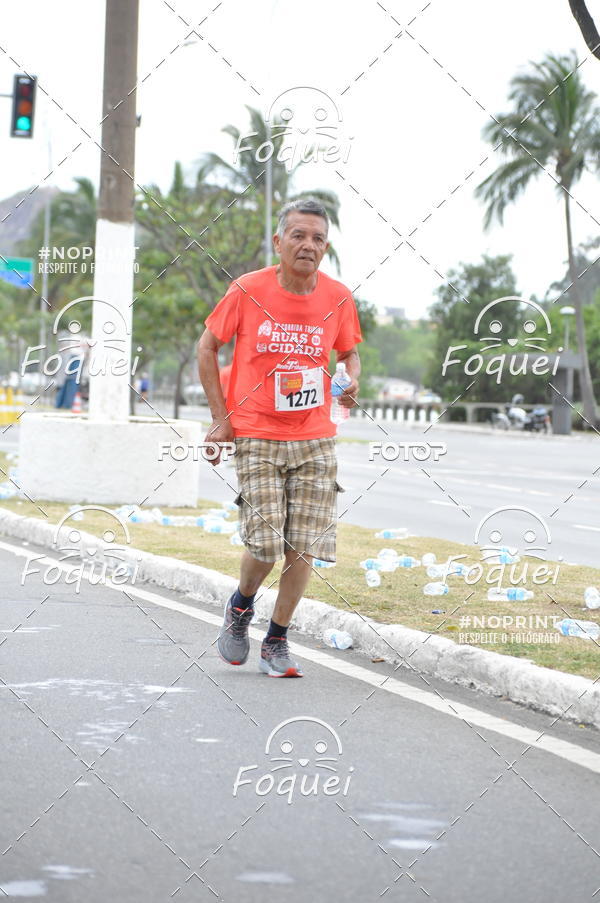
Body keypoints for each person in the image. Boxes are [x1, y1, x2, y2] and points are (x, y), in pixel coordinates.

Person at [197, 198, 362, 678]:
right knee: (267, 540)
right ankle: (241, 605)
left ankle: (276, 640)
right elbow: (207, 347)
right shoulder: (248, 290)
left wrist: (352, 381)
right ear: (279, 241)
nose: (308, 245)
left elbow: (350, 354)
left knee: (304, 545)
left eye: (317, 239)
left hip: (315, 436)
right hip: (258, 433)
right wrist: (219, 419)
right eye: (299, 235)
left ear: (325, 247)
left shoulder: (338, 296)